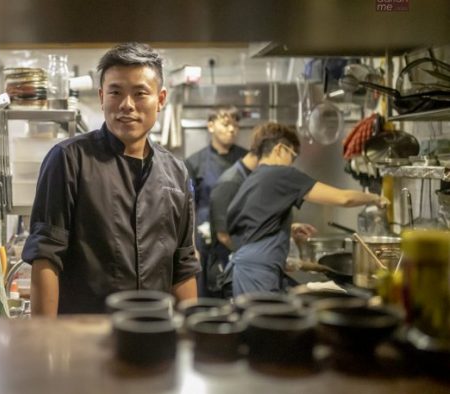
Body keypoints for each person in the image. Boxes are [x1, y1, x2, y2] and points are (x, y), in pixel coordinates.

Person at [22, 42, 199, 316]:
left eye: (140, 93)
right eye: (116, 92)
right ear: (102, 96)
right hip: (85, 337)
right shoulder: (69, 160)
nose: (127, 105)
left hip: (154, 335)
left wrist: (193, 339)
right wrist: (45, 341)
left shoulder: (176, 173)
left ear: (161, 99)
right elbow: (46, 255)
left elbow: (184, 264)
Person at [226, 122, 388, 296]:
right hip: (259, 273)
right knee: (265, 320)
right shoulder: (281, 174)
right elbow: (344, 198)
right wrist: (376, 198)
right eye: (293, 157)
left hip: (244, 270)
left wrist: (286, 230)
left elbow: (247, 227)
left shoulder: (254, 178)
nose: (292, 164)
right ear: (280, 149)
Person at [184, 106, 247, 296]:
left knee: (237, 292)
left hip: (238, 235)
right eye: (226, 124)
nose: (231, 130)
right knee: (206, 293)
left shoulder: (245, 159)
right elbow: (188, 207)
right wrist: (191, 247)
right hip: (205, 239)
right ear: (210, 126)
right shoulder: (195, 162)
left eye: (236, 126)